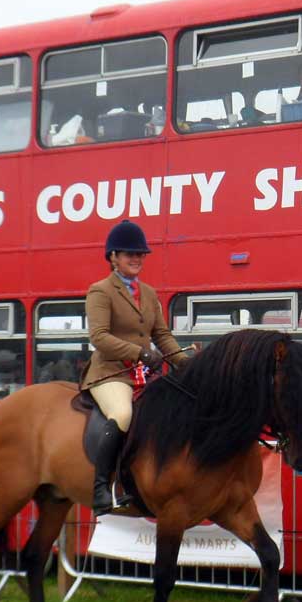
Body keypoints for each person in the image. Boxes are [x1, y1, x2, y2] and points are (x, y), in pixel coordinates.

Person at [82, 219, 189, 514]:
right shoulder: (100, 291)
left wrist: (186, 364)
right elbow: (99, 337)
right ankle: (101, 487)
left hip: (142, 373)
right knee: (124, 413)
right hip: (110, 373)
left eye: (140, 254)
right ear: (113, 257)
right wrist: (139, 353)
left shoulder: (150, 294)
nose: (137, 258)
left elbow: (162, 335)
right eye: (130, 253)